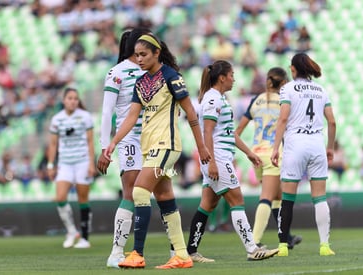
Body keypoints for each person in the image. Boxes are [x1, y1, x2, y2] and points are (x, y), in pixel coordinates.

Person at [104, 33, 211, 269]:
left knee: (139, 192)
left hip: (167, 145)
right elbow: (131, 117)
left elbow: (191, 113)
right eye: (137, 55)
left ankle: (137, 254)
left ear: (156, 53)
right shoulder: (141, 83)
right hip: (149, 146)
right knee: (164, 198)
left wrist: (201, 146)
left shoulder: (172, 78)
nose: (139, 59)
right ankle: (182, 255)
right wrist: (113, 143)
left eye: (143, 55)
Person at [186, 60, 278, 263]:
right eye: (231, 75)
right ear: (222, 77)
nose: (234, 79)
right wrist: (211, 162)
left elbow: (229, 133)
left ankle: (190, 251)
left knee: (207, 205)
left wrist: (248, 153)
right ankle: (252, 249)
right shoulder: (212, 99)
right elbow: (207, 132)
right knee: (237, 200)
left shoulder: (220, 98)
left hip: (219, 156)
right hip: (217, 157)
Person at [270, 53, 336, 256]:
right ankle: (325, 246)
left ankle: (282, 246)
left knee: (288, 199)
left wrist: (275, 148)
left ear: (293, 69)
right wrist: (330, 147)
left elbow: (282, 119)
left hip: (295, 144)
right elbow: (332, 121)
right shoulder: (321, 90)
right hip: (316, 144)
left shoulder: (287, 89)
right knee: (320, 198)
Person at [96, 27, 152, 268]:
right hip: (129, 139)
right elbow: (107, 111)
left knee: (157, 194)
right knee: (131, 193)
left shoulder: (151, 71)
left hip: (153, 138)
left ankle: (178, 251)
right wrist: (104, 146)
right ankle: (116, 252)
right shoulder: (117, 72)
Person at [235, 67, 302, 249]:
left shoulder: (256, 100)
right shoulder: (284, 101)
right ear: (283, 83)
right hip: (274, 155)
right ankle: (254, 243)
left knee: (277, 196)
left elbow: (237, 132)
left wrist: (249, 152)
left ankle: (286, 237)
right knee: (267, 197)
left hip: (256, 155)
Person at [47, 87, 95, 249]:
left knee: (83, 200)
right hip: (65, 164)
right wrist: (50, 164)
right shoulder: (57, 119)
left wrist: (91, 163)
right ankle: (71, 231)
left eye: (75, 98)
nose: (73, 101)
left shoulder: (85, 117)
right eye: (70, 98)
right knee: (60, 198)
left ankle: (85, 238)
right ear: (64, 100)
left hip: (82, 162)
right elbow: (53, 144)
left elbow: (90, 141)